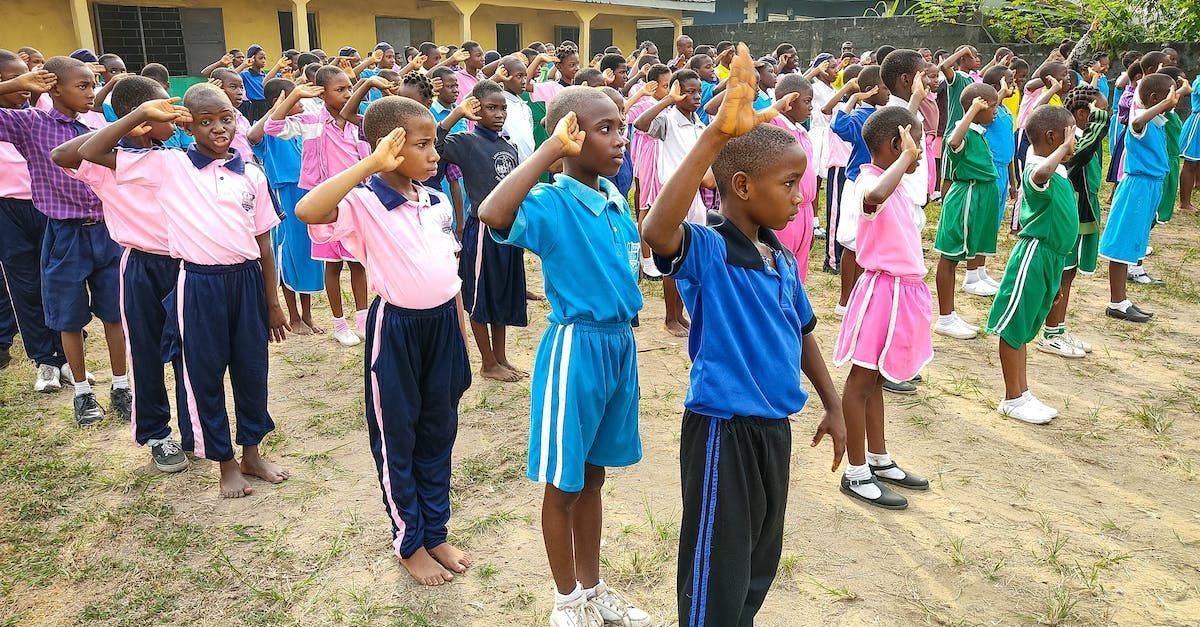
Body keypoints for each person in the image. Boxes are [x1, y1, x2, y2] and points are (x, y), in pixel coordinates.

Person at [642, 44, 844, 626]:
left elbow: (801, 330)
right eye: (789, 182)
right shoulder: (709, 247)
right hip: (722, 434)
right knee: (715, 571)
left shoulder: (779, 258)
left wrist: (832, 404)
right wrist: (714, 134)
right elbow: (658, 231)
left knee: (757, 561)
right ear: (742, 185)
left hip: (772, 431)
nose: (802, 195)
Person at [479, 86, 649, 627]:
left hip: (619, 348)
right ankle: (566, 599)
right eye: (605, 129)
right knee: (565, 481)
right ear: (569, 137)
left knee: (594, 476)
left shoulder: (616, 202)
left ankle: (593, 586)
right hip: (576, 350)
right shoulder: (552, 201)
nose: (619, 139)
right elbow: (492, 212)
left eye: (621, 126)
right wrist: (547, 151)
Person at [77, 83, 289, 496]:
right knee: (203, 373)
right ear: (187, 126)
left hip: (246, 281)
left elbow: (264, 242)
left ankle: (252, 452)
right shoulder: (168, 165)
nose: (218, 128)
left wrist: (272, 301)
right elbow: (90, 152)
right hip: (198, 282)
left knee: (251, 369)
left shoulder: (252, 174)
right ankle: (224, 461)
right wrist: (140, 116)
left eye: (225, 118)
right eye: (205, 122)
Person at [296, 95, 472, 587]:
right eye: (423, 144)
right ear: (389, 147)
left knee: (439, 432)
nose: (435, 154)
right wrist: (369, 165)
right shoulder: (364, 200)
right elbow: (309, 209)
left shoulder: (435, 200)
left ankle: (435, 531)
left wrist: (459, 336)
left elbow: (450, 276)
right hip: (396, 330)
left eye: (434, 142)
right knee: (399, 435)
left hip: (442, 327)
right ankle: (409, 541)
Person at [51, 76, 190, 472]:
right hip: (142, 265)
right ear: (141, 118)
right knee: (146, 353)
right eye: (165, 110)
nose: (175, 116)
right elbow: (62, 155)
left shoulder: (174, 152)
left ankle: (193, 428)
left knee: (189, 353)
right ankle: (158, 435)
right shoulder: (104, 161)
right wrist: (132, 119)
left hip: (185, 262)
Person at [0, 56, 129, 425]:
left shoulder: (96, 124)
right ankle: (83, 393)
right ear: (54, 87)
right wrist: (17, 84)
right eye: (83, 86)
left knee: (114, 313)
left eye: (93, 85)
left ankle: (121, 386)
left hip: (106, 230)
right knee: (68, 318)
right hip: (63, 233)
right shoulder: (30, 124)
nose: (92, 93)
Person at [834, 106, 932, 509]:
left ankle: (878, 458)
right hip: (881, 294)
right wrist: (908, 158)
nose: (921, 153)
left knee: (876, 381)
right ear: (896, 145)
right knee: (861, 382)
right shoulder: (867, 182)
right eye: (916, 145)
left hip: (901, 292)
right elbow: (873, 200)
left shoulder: (896, 184)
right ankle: (856, 473)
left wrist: (906, 161)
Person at [266, 65, 371, 347]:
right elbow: (272, 126)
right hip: (323, 203)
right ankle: (340, 324)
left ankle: (363, 319)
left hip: (355, 201)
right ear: (322, 94)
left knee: (357, 263)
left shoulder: (357, 124)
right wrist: (295, 94)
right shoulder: (312, 120)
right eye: (340, 90)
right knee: (333, 265)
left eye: (350, 88)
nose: (347, 94)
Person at [986, 105, 1078, 424]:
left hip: (1051, 259)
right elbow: (1039, 178)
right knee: (1015, 327)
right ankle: (1012, 397)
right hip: (1033, 255)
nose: (1074, 142)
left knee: (1026, 327)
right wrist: (1063, 151)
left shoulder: (1059, 171)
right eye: (1070, 136)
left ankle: (1022, 393)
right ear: (1053, 137)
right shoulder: (1037, 167)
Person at [436, 81, 528, 382]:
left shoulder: (508, 145)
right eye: (491, 107)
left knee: (501, 295)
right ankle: (487, 362)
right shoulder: (465, 141)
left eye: (502, 108)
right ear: (476, 109)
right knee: (479, 297)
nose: (499, 113)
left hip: (508, 232)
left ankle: (500, 357)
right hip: (483, 232)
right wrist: (455, 114)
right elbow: (435, 144)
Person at [0, 50, 67, 393]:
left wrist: (33, 87)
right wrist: (17, 82)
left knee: (54, 282)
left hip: (45, 206)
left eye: (27, 77)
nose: (25, 87)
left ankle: (66, 354)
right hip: (6, 210)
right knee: (24, 285)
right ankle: (45, 360)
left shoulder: (39, 113)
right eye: (13, 80)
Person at [1098, 73, 1181, 322]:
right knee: (1123, 242)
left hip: (1150, 187)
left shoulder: (1156, 122)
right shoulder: (1140, 121)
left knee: (1135, 241)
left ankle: (1122, 299)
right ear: (1157, 98)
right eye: (1171, 93)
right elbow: (1136, 123)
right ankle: (1117, 302)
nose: (1174, 98)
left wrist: (1168, 104)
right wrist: (1165, 104)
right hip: (1137, 186)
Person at [634, 68, 708, 338]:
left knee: (691, 253)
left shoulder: (699, 123)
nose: (696, 96)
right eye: (689, 92)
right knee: (672, 254)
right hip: (674, 195)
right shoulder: (668, 120)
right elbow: (640, 124)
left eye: (698, 91)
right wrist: (668, 100)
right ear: (677, 91)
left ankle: (682, 313)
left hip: (695, 195)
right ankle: (670, 317)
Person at [249, 78, 326, 335]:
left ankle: (307, 314)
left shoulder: (299, 125)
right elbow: (253, 136)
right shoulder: (271, 129)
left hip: (307, 191)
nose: (302, 104)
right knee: (288, 253)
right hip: (285, 193)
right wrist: (277, 110)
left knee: (307, 254)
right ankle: (293, 317)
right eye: (297, 99)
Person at [1038, 84, 1108, 359]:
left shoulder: (1076, 142)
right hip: (1068, 219)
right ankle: (1050, 332)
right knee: (1061, 273)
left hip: (1081, 216)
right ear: (1082, 114)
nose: (1105, 114)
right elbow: (1096, 133)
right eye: (1099, 110)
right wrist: (1100, 115)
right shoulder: (1070, 150)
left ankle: (1058, 327)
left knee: (1069, 272)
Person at [932, 84, 1002, 340]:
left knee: (965, 253)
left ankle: (952, 313)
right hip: (966, 197)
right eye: (992, 105)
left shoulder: (978, 132)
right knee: (949, 256)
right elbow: (952, 142)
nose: (996, 110)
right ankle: (945, 318)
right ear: (977, 105)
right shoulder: (962, 131)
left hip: (981, 196)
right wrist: (972, 110)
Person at [829, 65, 890, 317]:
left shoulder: (883, 113)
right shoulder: (863, 114)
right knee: (852, 243)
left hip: (877, 183)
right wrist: (854, 98)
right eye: (883, 88)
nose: (887, 93)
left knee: (866, 242)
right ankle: (844, 300)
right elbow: (838, 126)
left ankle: (858, 294)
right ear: (870, 91)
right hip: (858, 182)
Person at [768, 74, 815, 281]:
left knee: (799, 265)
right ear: (790, 101)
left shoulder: (802, 131)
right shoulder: (776, 124)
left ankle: (794, 308)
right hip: (785, 206)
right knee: (782, 261)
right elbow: (755, 121)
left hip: (805, 208)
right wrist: (778, 106)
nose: (811, 107)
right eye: (807, 101)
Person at [981, 66, 1017, 222]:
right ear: (997, 86)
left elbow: (1009, 152)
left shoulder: (1005, 110)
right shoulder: (988, 112)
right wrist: (1000, 92)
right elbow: (991, 105)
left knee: (997, 215)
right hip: (991, 170)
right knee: (987, 216)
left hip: (1003, 171)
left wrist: (1013, 181)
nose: (1014, 85)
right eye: (1009, 81)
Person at [1180, 72, 1200, 213]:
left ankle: (1197, 185)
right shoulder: (1199, 82)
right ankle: (1184, 203)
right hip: (1197, 124)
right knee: (1191, 162)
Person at [240, 44, 269, 120]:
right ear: (252, 58)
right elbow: (231, 76)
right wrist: (244, 65)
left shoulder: (265, 75)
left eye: (264, 58)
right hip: (254, 108)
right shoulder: (245, 74)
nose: (263, 61)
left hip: (267, 105)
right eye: (260, 58)